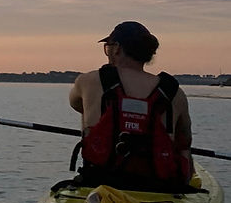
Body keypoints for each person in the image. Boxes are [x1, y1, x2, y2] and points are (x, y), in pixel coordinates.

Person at [68, 21, 192, 189]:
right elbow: (184, 143)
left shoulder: (89, 81)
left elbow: (76, 104)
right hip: (159, 188)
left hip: (98, 182)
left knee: (88, 113)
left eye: (108, 47)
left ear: (117, 48)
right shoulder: (175, 93)